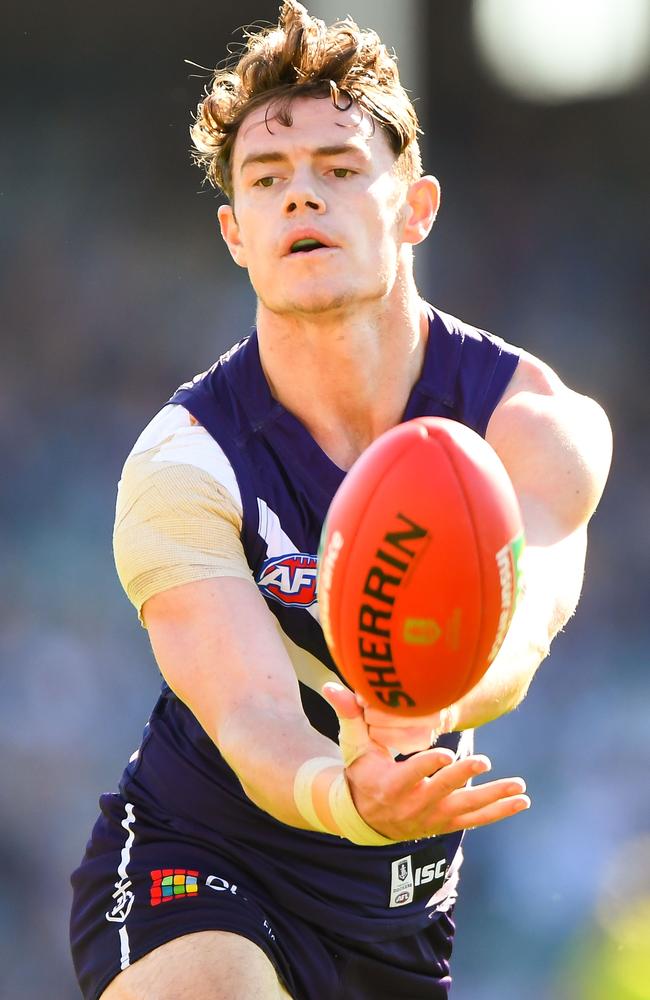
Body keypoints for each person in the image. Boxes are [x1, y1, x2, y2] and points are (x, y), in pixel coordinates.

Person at [69, 3, 612, 998]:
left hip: (396, 903)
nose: (300, 200)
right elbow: (249, 715)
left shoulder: (530, 423)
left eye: (337, 168)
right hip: (207, 855)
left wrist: (428, 708)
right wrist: (344, 788)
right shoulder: (183, 465)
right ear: (235, 232)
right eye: (267, 181)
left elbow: (522, 624)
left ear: (415, 208)